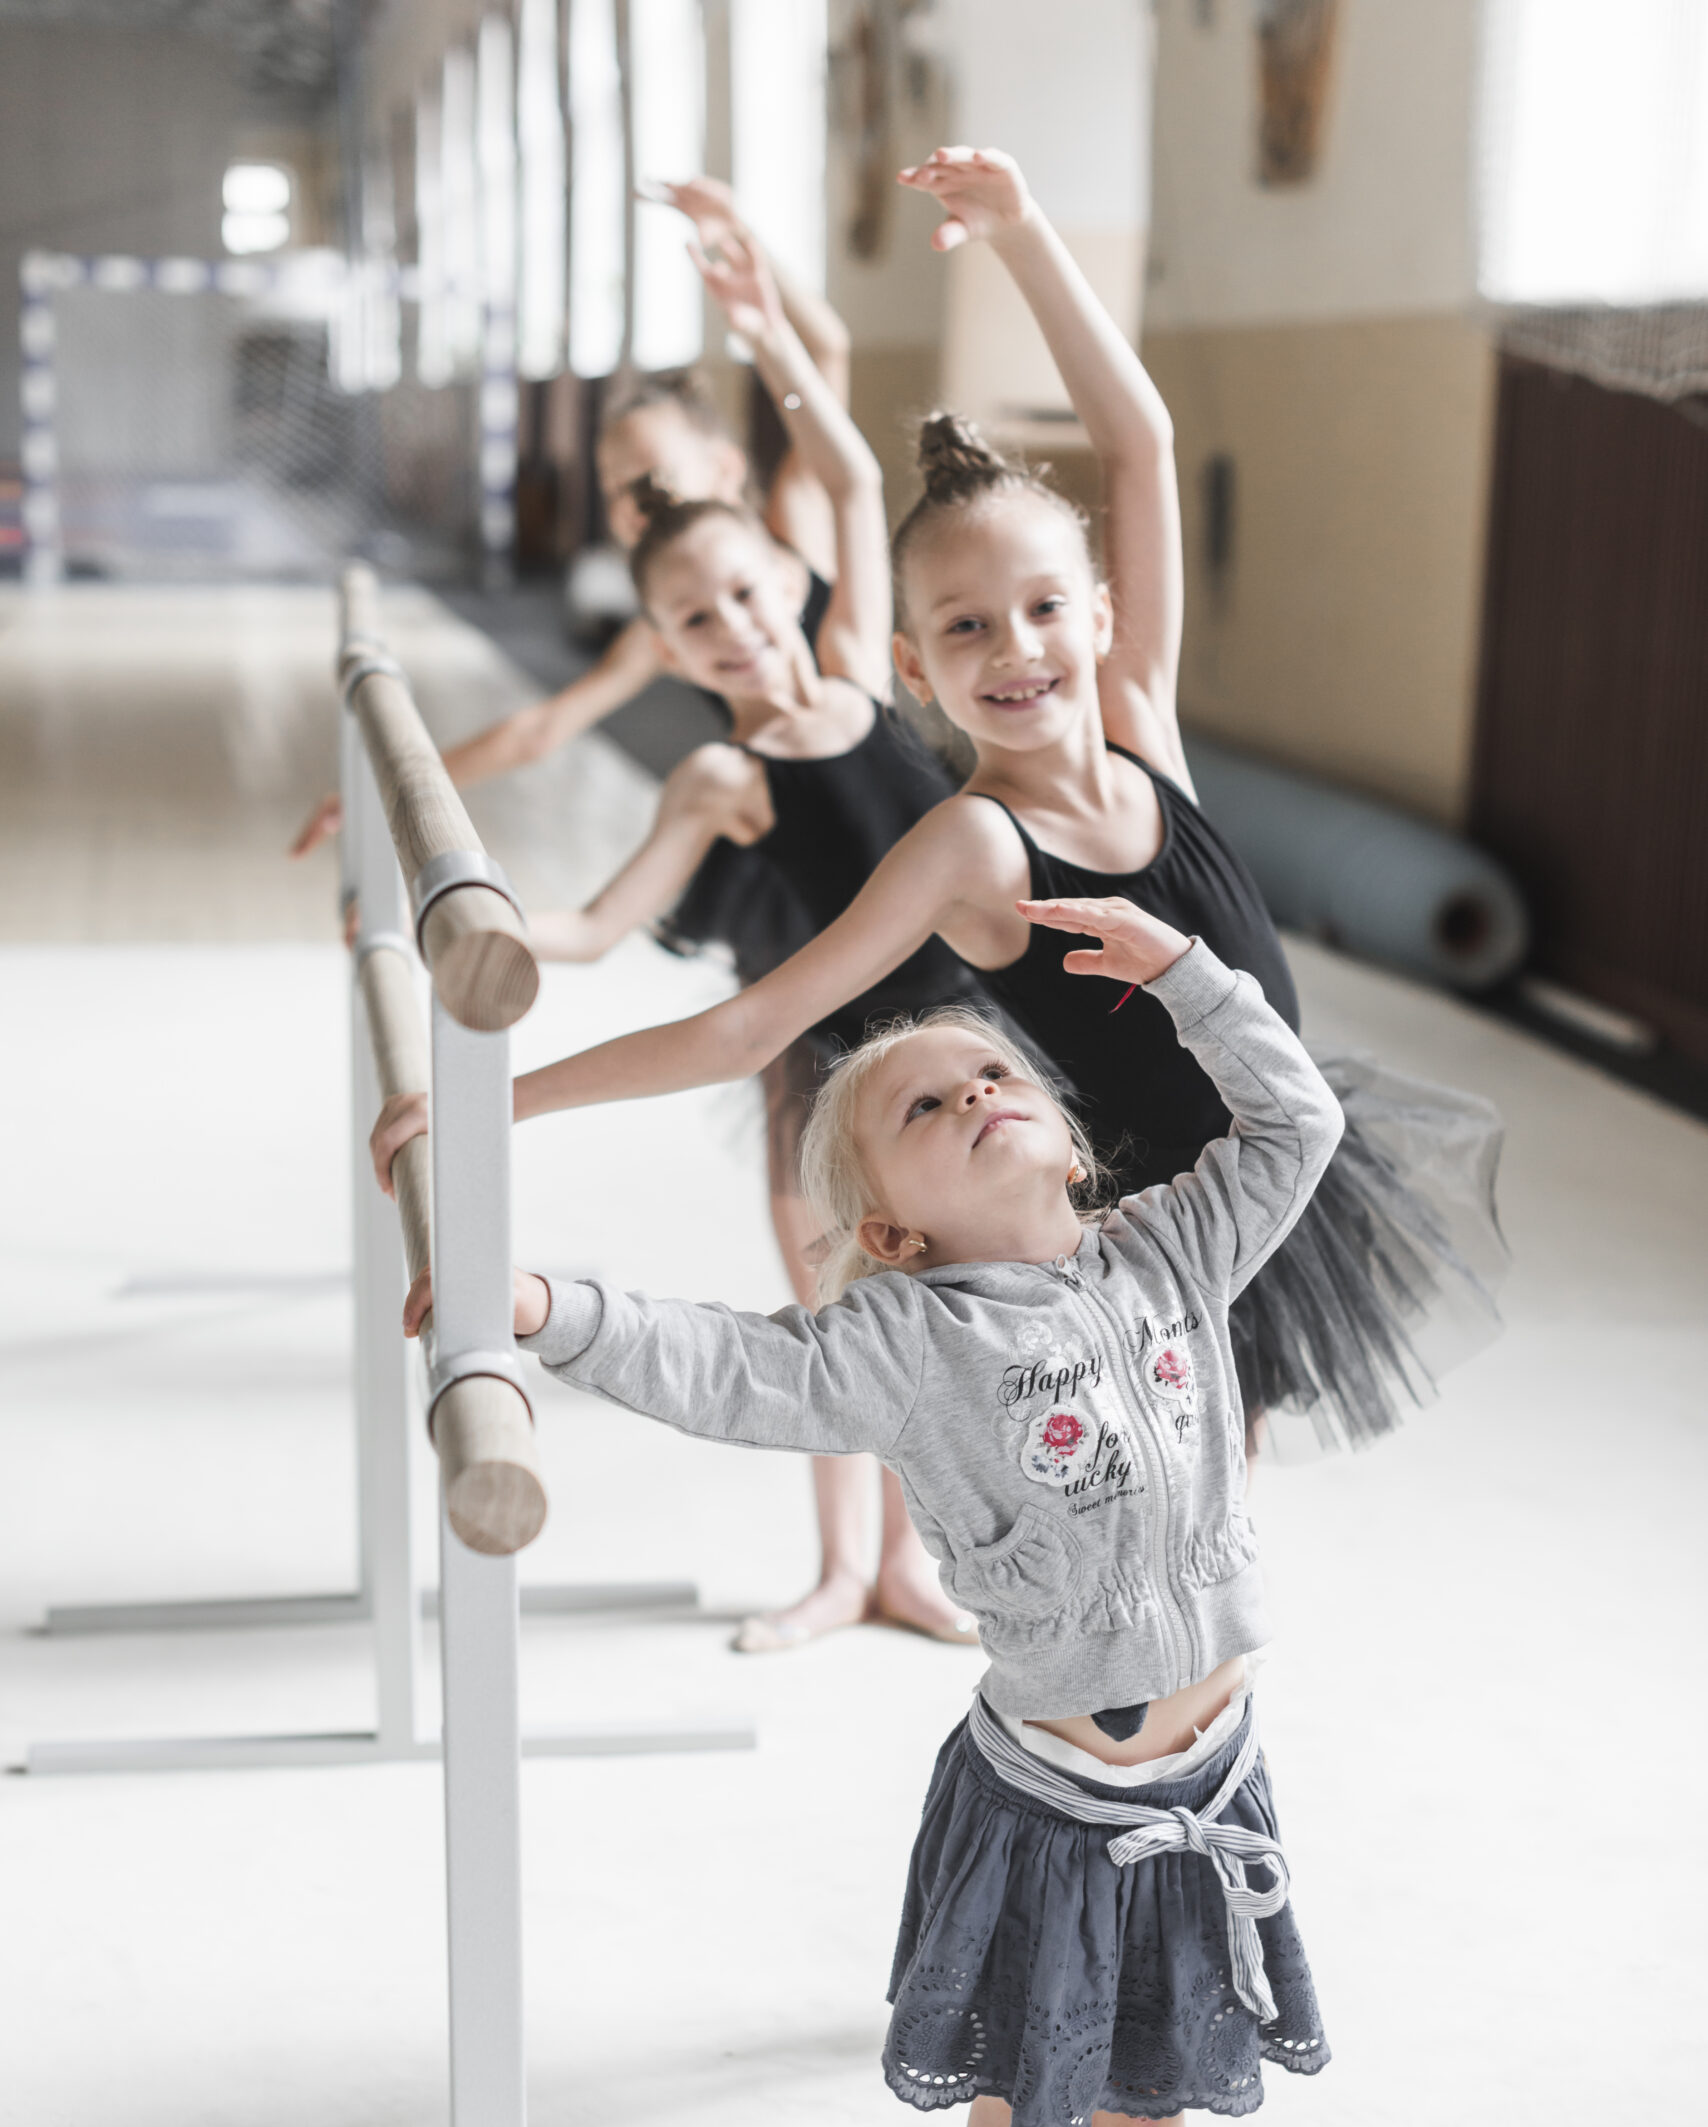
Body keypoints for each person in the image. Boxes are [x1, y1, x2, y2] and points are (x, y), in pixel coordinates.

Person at [405, 899, 1342, 2127]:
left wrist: (1189, 980)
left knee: (1145, 2097)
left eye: (991, 1071)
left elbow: (1297, 1119)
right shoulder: (903, 1340)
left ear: (1065, 1130)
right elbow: (730, 1366)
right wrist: (550, 1308)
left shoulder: (1173, 1253)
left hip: (1207, 1785)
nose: (977, 1090)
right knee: (1032, 2098)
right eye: (926, 1106)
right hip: (1056, 1800)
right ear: (893, 1231)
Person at [380, 144, 1504, 1460]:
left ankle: (1198, 1674)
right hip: (1135, 1230)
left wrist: (1026, 233)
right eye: (966, 629)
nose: (1016, 650)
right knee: (1172, 1503)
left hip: (1278, 1159)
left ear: (1099, 616)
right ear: (914, 665)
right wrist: (496, 1101)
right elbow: (753, 1023)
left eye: (1042, 611)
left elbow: (1138, 448)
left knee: (1220, 1508)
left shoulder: (1140, 716)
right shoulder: (973, 843)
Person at [514, 221, 999, 1650]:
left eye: (740, 593)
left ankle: (912, 1568)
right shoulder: (718, 779)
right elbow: (599, 931)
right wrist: (469, 911)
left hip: (967, 1036)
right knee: (839, 1323)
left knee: (955, 1315)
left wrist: (768, 331)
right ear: (665, 649)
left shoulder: (857, 658)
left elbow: (849, 471)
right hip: (826, 1076)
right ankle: (840, 1568)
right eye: (691, 621)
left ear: (782, 582)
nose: (731, 626)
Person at [288, 176, 849, 860]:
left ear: (727, 471)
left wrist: (736, 233)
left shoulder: (799, 522)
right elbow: (542, 729)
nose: (627, 504)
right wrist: (389, 791)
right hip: (790, 828)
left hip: (873, 792)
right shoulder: (667, 625)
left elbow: (828, 354)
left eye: (651, 479)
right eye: (612, 487)